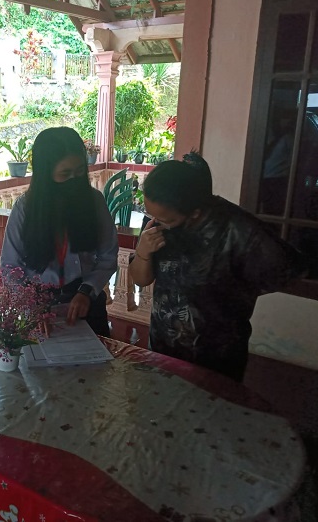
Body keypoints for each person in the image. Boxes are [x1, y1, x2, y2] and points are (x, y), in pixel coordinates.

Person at [129, 152, 303, 381]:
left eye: (167, 221)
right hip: (163, 347)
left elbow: (289, 269)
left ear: (195, 213)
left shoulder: (239, 229)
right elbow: (140, 279)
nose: (156, 222)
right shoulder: (158, 220)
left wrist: (238, 289)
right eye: (151, 215)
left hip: (216, 356)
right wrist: (143, 251)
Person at [0, 127, 118, 335]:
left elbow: (108, 256)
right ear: (46, 173)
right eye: (65, 174)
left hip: (85, 303)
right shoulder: (25, 208)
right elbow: (10, 266)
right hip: (39, 308)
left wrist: (87, 291)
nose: (74, 178)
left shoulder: (94, 202)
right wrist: (31, 308)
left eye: (79, 171)